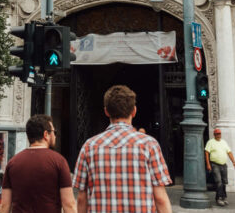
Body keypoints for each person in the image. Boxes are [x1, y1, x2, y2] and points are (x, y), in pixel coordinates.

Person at [73, 85, 173, 213]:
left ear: (106, 112)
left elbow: (82, 198)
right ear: (134, 111)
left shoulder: (89, 146)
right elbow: (160, 198)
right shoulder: (149, 144)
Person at [0, 114, 75, 213]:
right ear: (46, 135)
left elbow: (5, 205)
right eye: (54, 132)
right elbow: (69, 205)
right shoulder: (59, 162)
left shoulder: (13, 163)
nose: (55, 136)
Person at [204, 127, 235, 207]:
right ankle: (218, 198)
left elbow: (229, 152)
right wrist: (208, 164)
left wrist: (233, 161)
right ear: (214, 134)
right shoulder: (210, 142)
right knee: (218, 181)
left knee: (224, 182)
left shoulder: (224, 142)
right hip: (215, 164)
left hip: (223, 164)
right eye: (217, 134)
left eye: (219, 133)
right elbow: (207, 153)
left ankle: (224, 197)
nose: (219, 135)